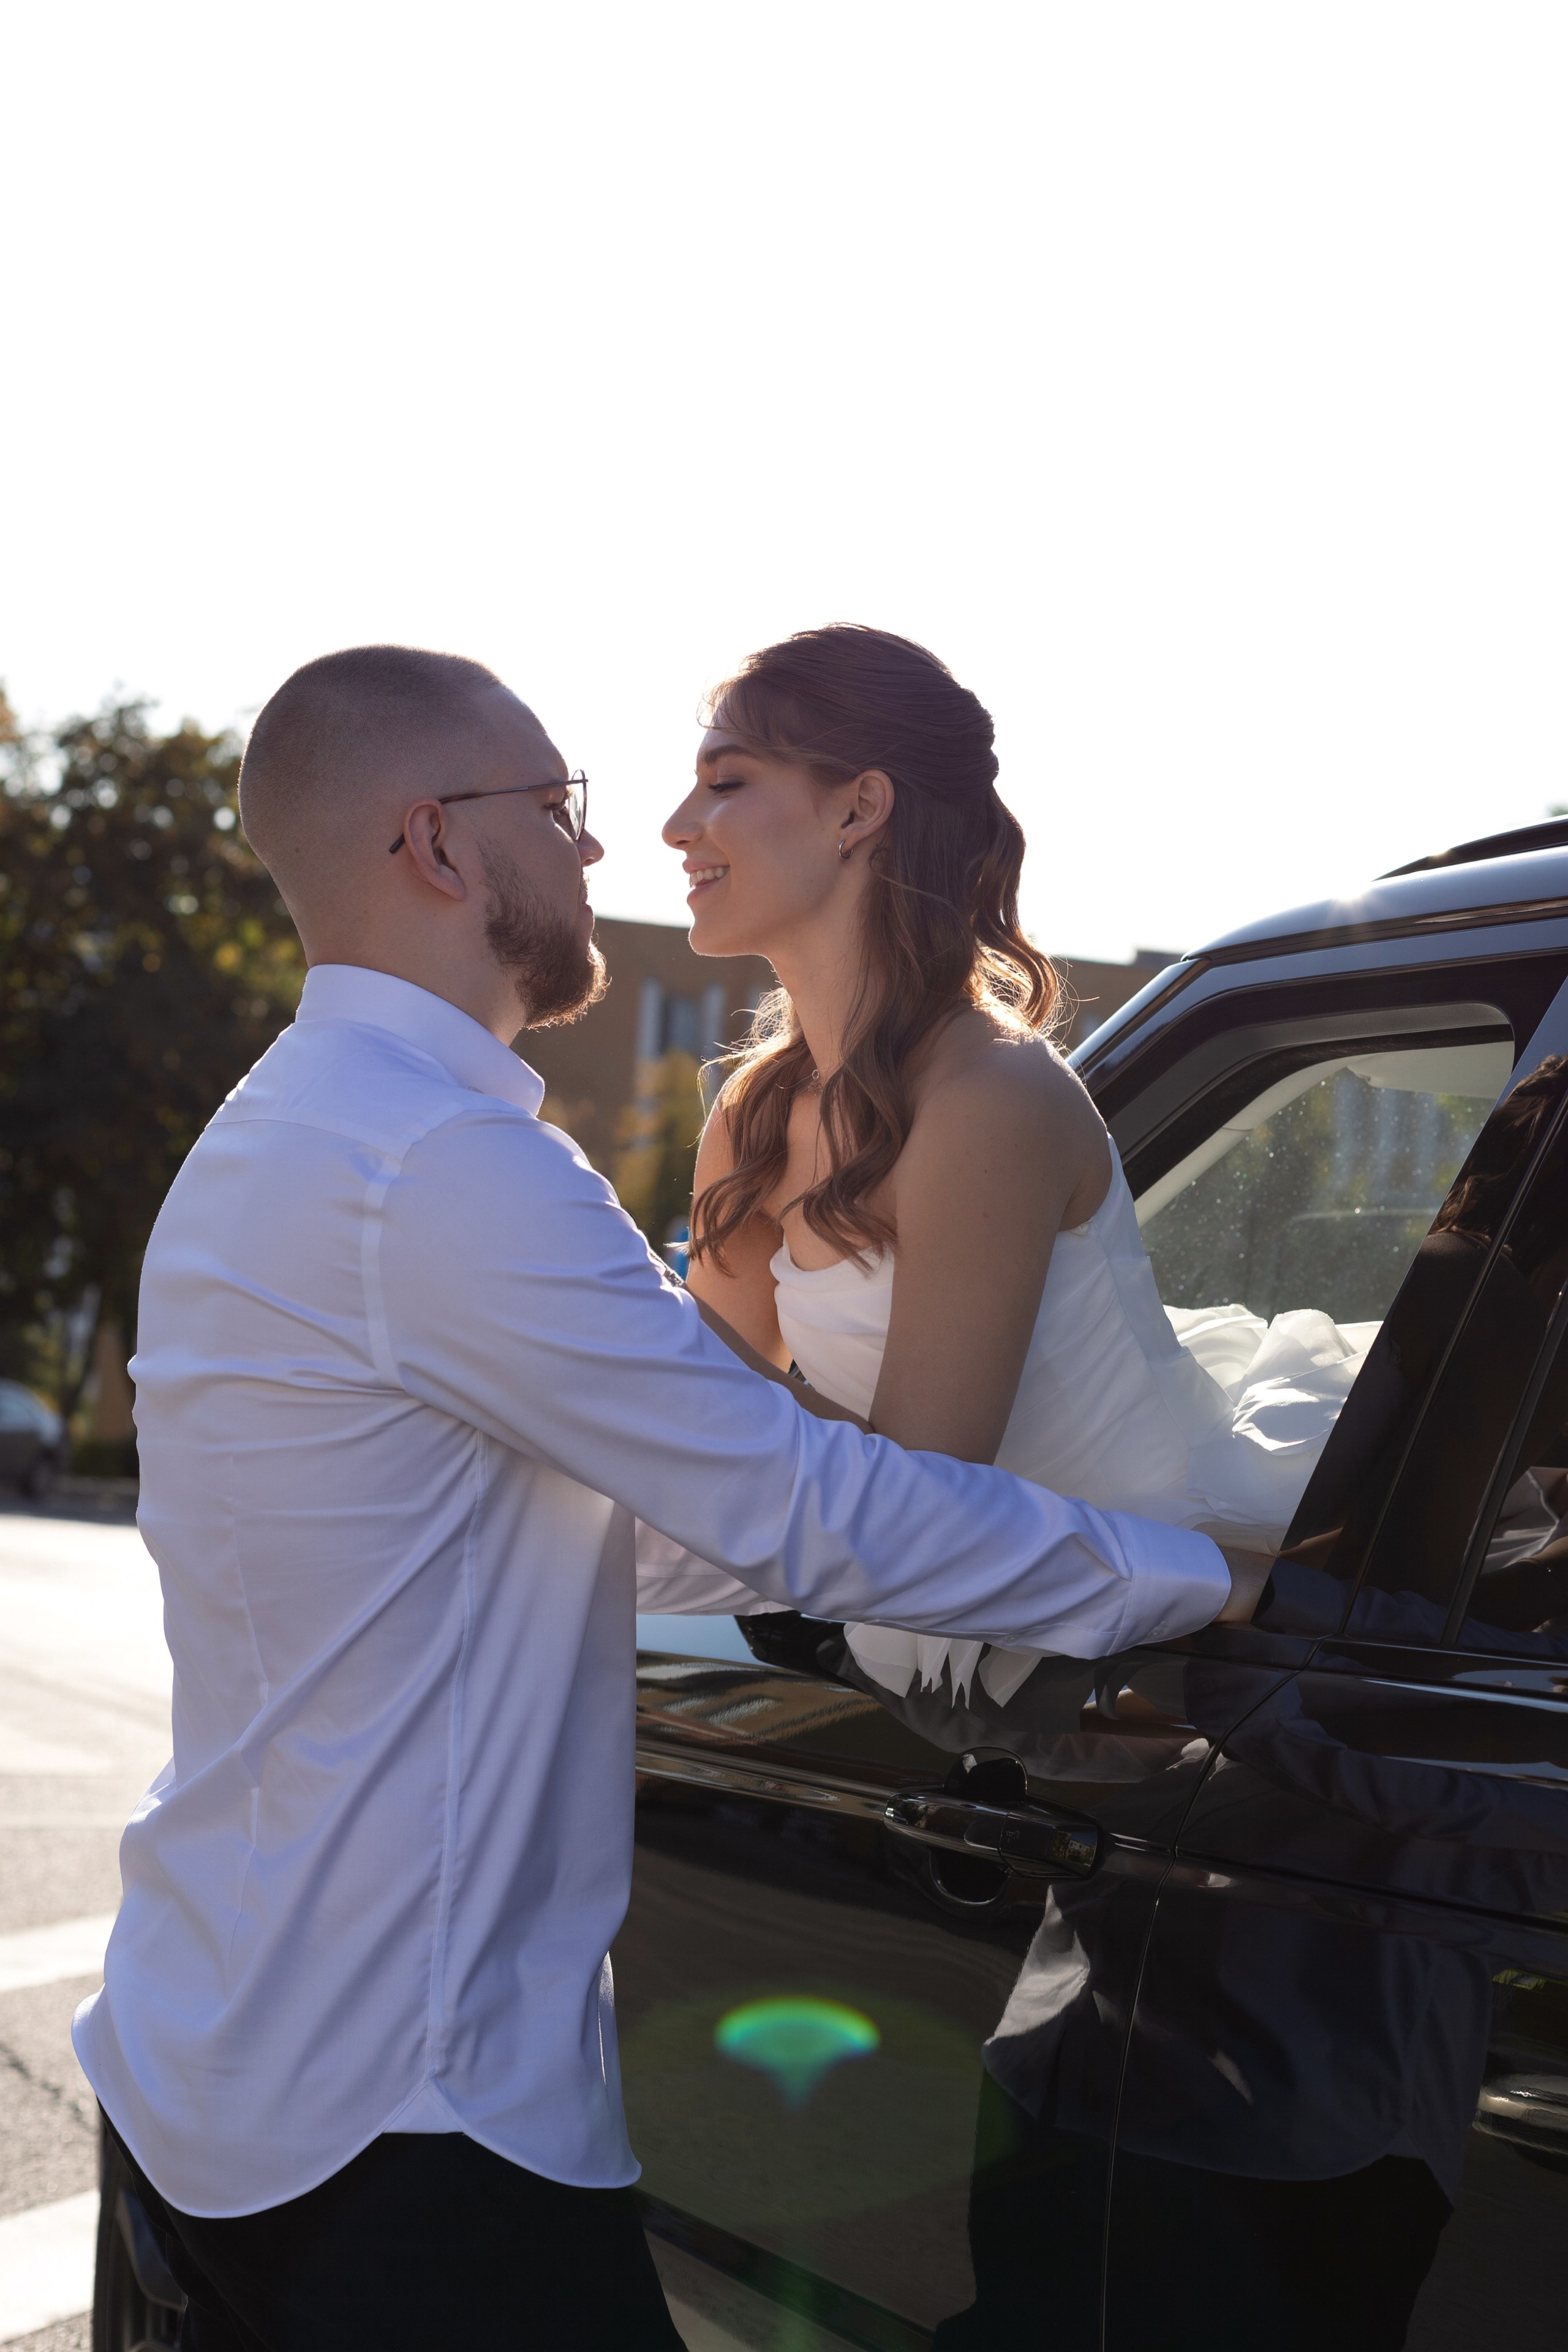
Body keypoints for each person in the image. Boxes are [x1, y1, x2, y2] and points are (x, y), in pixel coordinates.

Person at [72, 645, 1252, 2352]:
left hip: (213, 2054)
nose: (606, 848)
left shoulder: (287, 1131)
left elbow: (622, 1513)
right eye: (557, 809)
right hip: (399, 2098)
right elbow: (794, 1502)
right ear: (439, 849)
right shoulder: (441, 1167)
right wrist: (1187, 1580)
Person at [664, 624, 1347, 1706]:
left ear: (859, 807)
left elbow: (921, 1494)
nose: (676, 828)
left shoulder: (990, 1098)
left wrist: (640, 1319)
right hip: (933, 1623)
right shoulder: (753, 1115)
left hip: (1148, 1647)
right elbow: (697, 1441)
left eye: (726, 783)